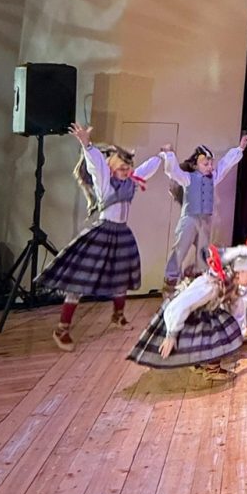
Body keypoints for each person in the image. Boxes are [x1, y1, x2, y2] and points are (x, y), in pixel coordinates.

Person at [39, 123, 163, 350]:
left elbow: (146, 169)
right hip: (102, 233)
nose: (126, 172)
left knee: (121, 275)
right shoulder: (105, 183)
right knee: (80, 279)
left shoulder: (131, 182)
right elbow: (96, 166)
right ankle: (62, 328)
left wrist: (161, 155)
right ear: (112, 168)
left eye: (128, 168)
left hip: (121, 234)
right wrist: (86, 144)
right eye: (122, 168)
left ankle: (118, 315)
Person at [128, 244, 247, 377]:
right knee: (217, 333)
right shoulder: (211, 286)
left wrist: (238, 335)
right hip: (180, 316)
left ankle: (200, 362)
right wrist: (171, 335)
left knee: (224, 326)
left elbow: (237, 312)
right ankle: (210, 368)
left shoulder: (230, 286)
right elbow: (180, 305)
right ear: (238, 273)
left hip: (198, 314)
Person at [160, 135, 247, 289]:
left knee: (204, 250)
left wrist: (239, 149)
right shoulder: (188, 178)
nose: (210, 167)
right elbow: (173, 171)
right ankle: (171, 277)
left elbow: (225, 165)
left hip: (206, 220)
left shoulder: (213, 178)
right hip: (190, 218)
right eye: (206, 164)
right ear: (195, 165)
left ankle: (201, 276)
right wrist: (169, 155)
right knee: (181, 247)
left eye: (211, 163)